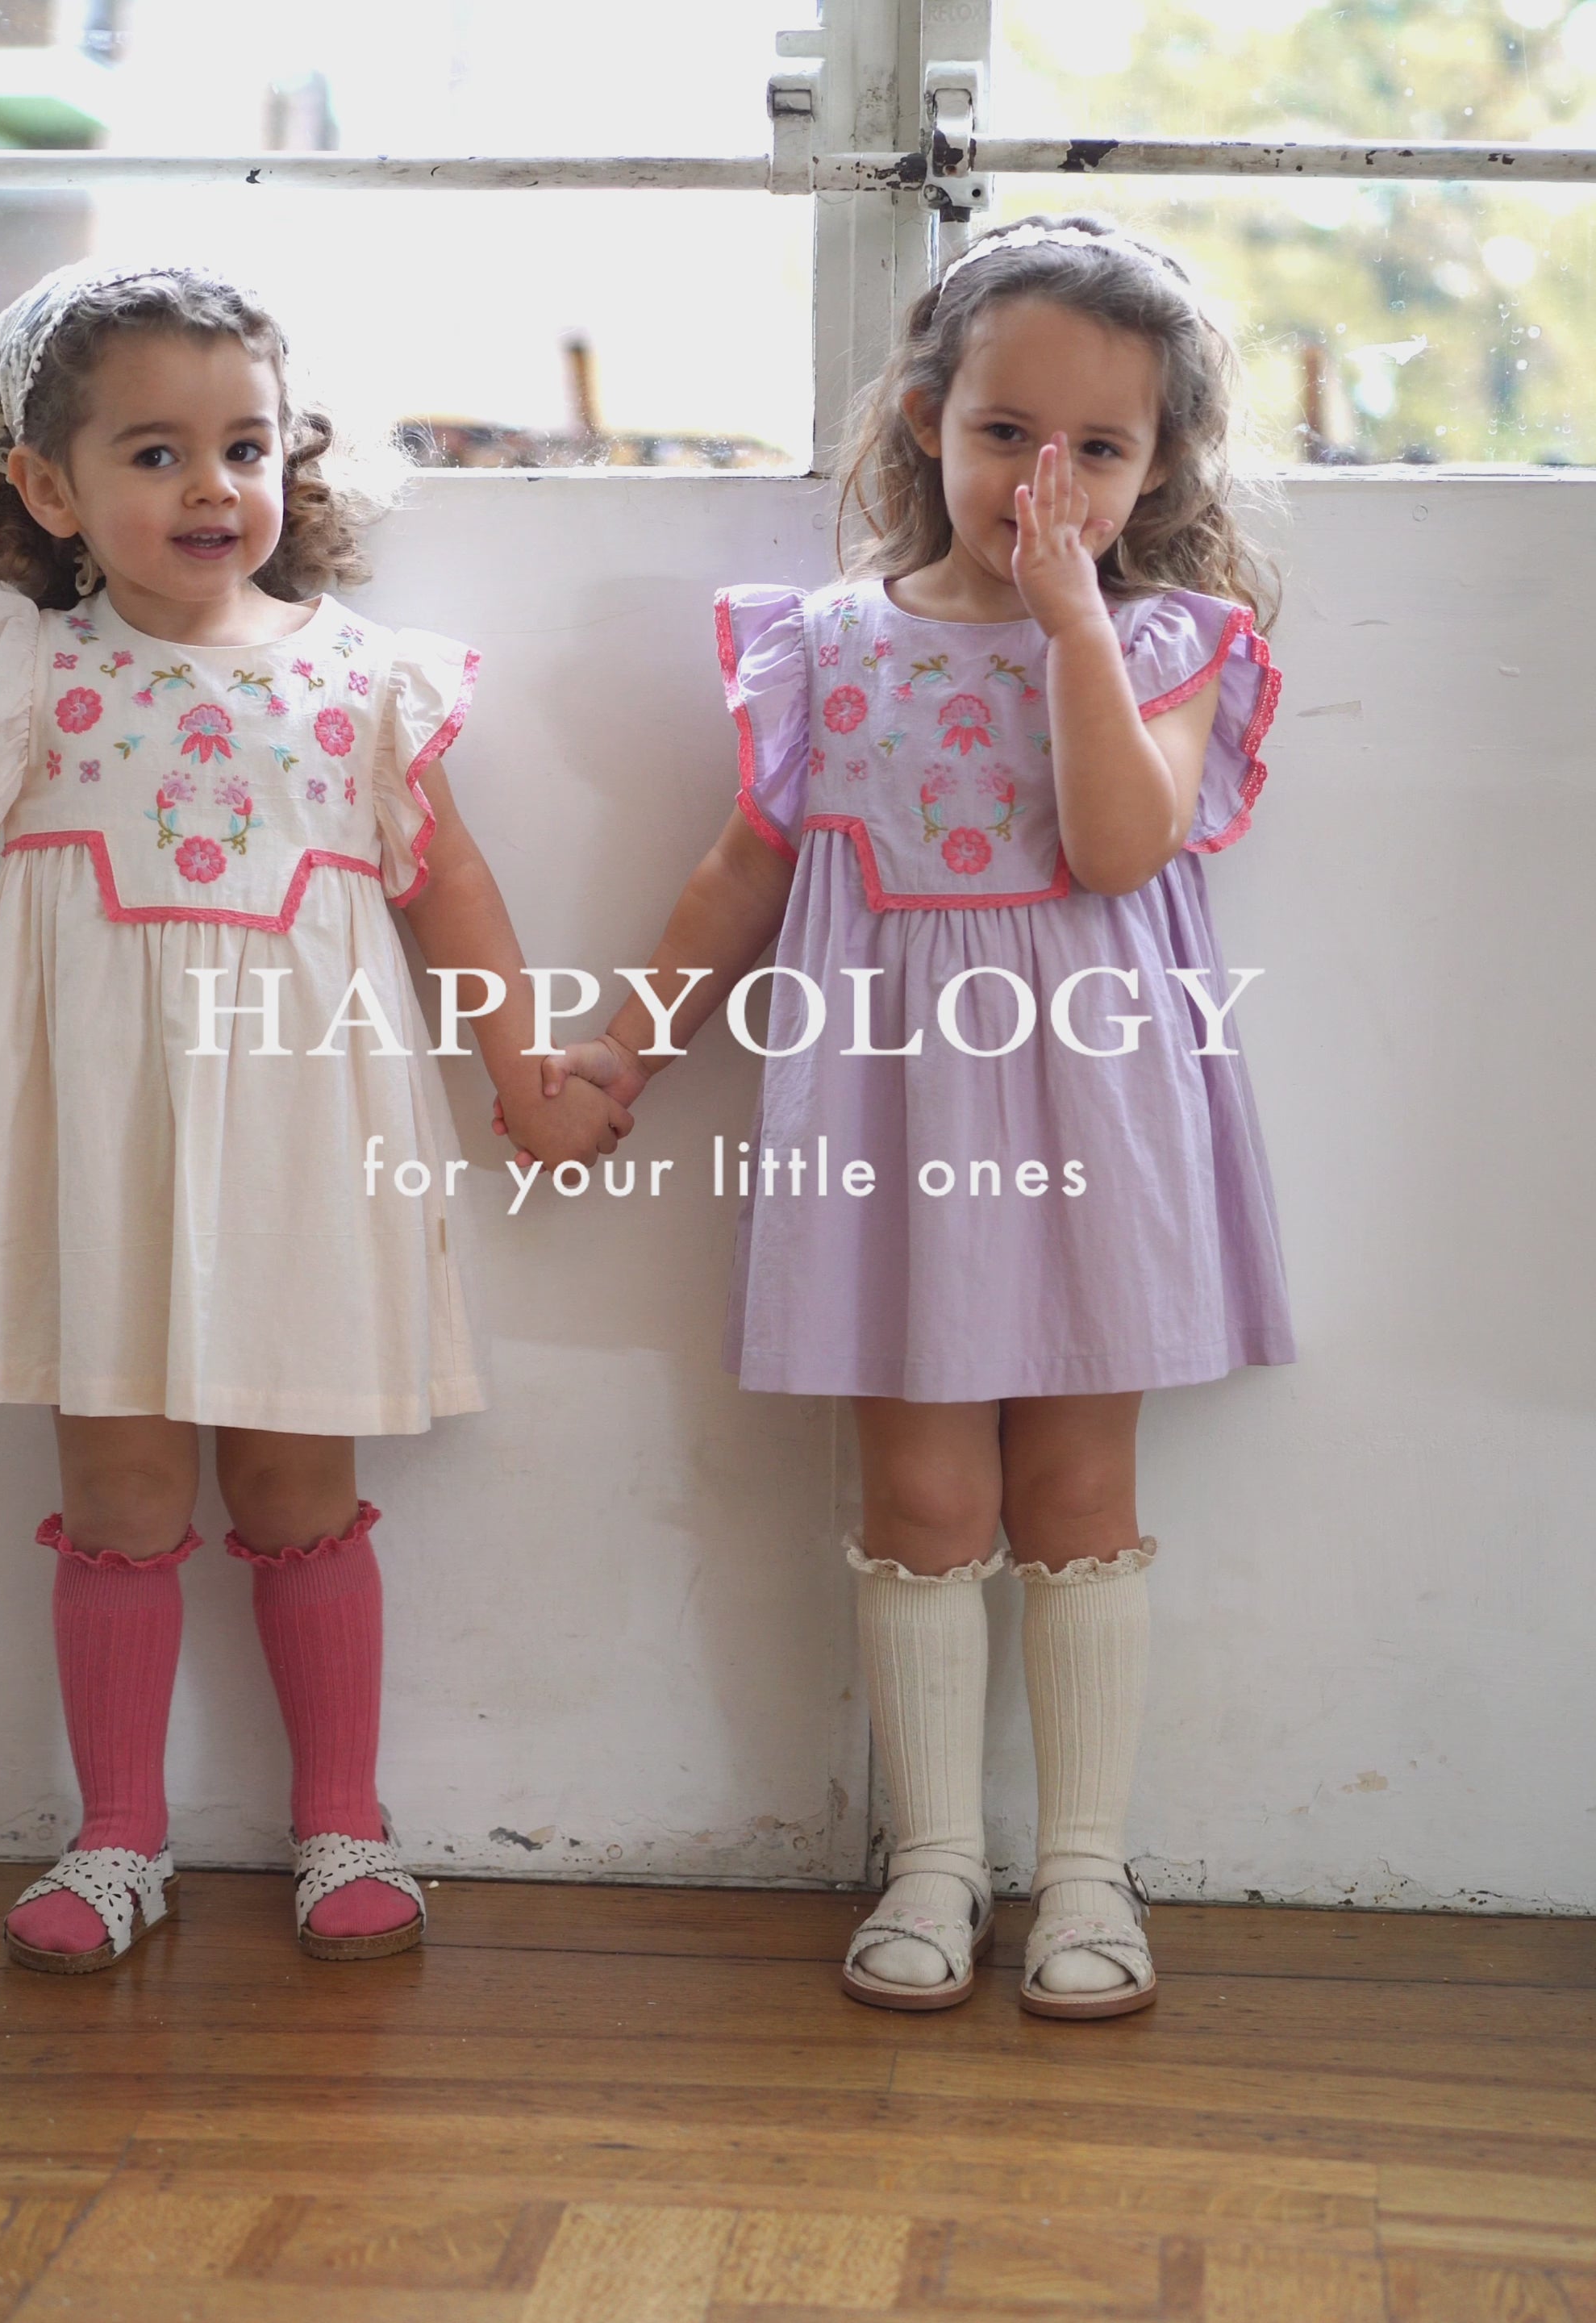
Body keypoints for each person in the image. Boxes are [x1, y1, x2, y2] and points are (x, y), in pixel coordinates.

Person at [521, 215, 1293, 2014]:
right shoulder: (827, 645)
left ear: (1160, 465)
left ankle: (1085, 1872)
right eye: (1008, 432)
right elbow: (740, 875)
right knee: (927, 1495)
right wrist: (623, 1051)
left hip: (1098, 1119)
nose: (1046, 482)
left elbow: (1120, 843)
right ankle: (935, 1860)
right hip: (892, 1126)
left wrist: (1073, 622)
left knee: (1078, 1490)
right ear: (928, 419)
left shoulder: (1170, 642)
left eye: (1100, 448)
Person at [0, 261, 627, 1972]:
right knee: (121, 1491)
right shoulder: (26, 668)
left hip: (297, 1146)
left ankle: (342, 1820)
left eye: (246, 447)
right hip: (100, 1153)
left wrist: (521, 1071)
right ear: (49, 487)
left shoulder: (363, 679)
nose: (212, 487)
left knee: (296, 1482)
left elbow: (449, 888)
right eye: (155, 453)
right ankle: (114, 1838)